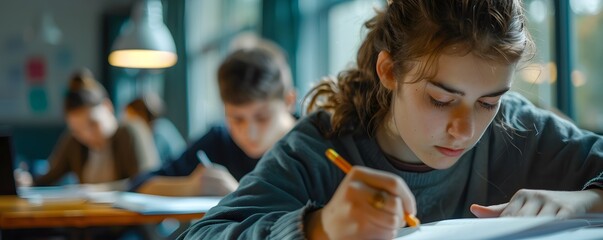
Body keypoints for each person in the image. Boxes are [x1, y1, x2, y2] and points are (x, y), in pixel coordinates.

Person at [176, 0, 603, 239]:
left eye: (488, 102)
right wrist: (318, 228)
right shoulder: (320, 147)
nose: (466, 129)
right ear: (389, 71)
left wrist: (588, 200)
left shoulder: (517, 128)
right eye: (440, 99)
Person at [130, 45, 297, 196]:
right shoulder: (220, 139)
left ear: (289, 101)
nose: (249, 133)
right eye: (236, 119)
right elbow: (140, 185)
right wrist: (190, 187)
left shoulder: (313, 145)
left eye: (262, 118)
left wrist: (239, 195)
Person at [27, 68, 159, 190]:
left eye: (93, 124)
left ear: (108, 107)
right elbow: (48, 177)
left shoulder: (130, 131)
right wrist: (27, 181)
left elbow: (147, 183)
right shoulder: (73, 141)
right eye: (77, 130)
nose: (87, 135)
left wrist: (94, 191)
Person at [124, 93, 186, 164]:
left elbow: (152, 165)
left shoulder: (158, 134)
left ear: (141, 115)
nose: (127, 121)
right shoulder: (163, 125)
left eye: (130, 117)